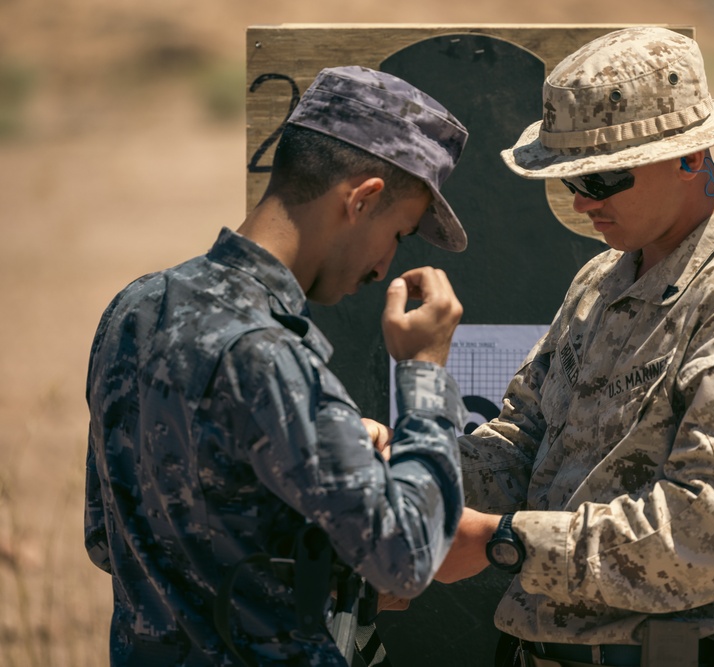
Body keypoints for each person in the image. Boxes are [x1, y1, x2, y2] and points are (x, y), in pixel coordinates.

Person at [434, 26, 714, 667]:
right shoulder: (602, 280)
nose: (580, 201)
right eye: (570, 180)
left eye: (602, 178)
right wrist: (419, 474)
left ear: (688, 157)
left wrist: (507, 544)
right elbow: (524, 444)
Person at [85, 66, 471, 666]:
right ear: (363, 198)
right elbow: (408, 557)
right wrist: (424, 374)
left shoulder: (136, 308)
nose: (383, 266)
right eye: (397, 233)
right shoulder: (267, 353)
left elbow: (108, 538)